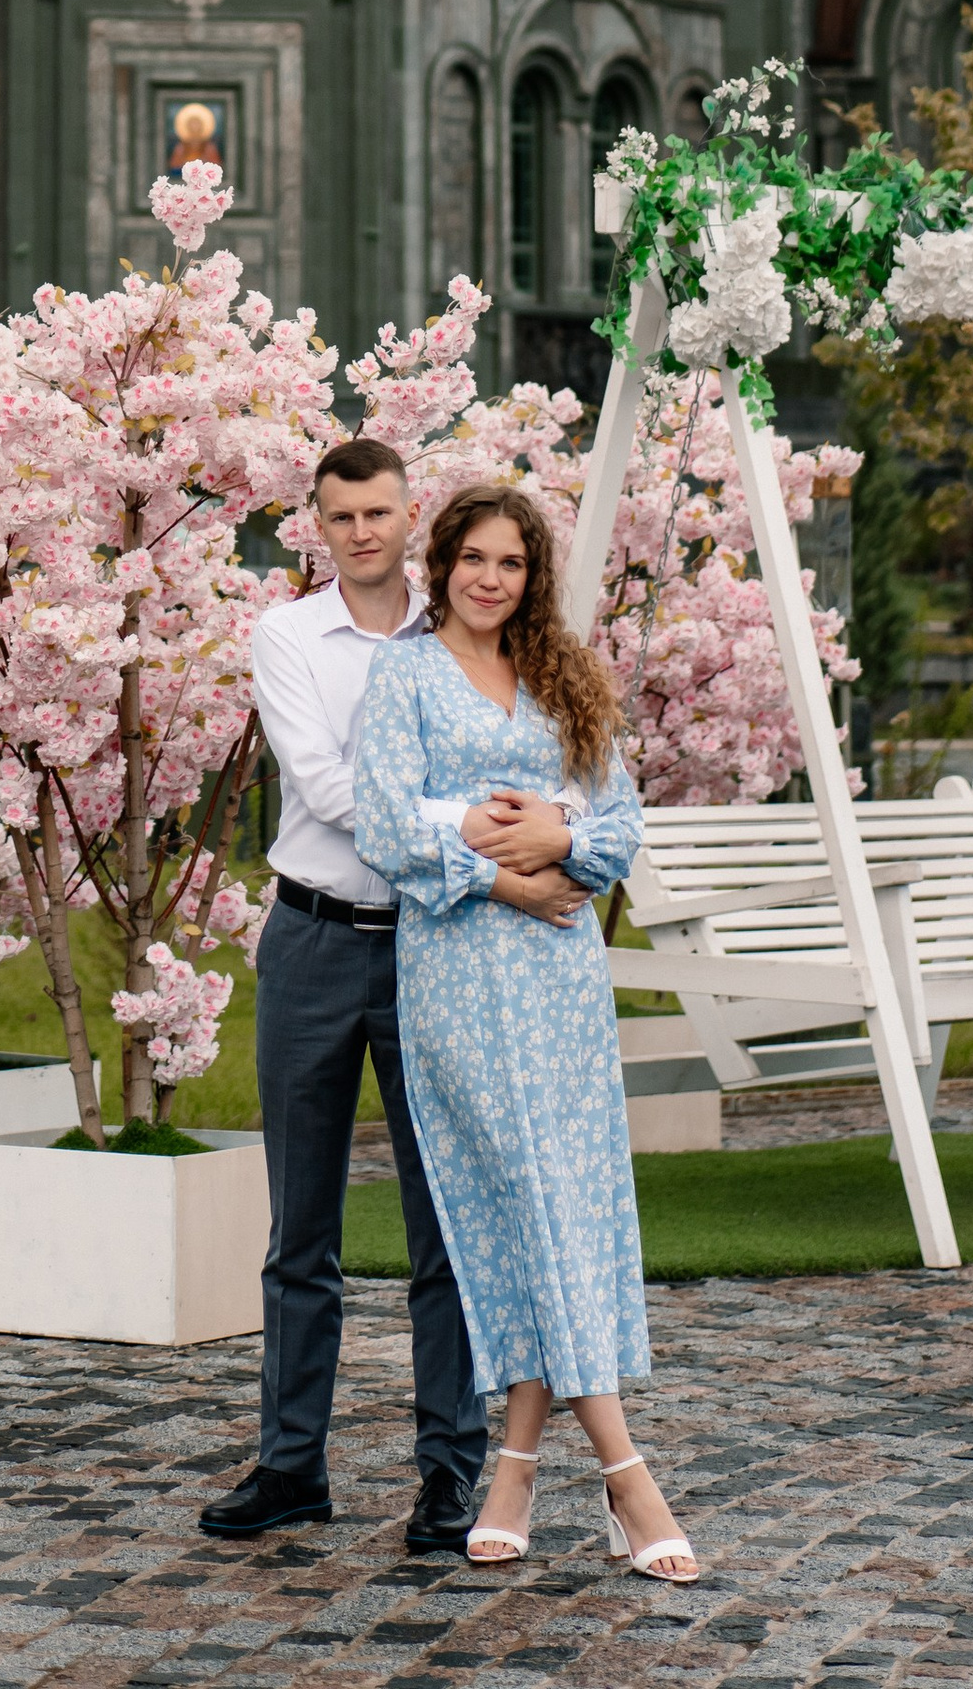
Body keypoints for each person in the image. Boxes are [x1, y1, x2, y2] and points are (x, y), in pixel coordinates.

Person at [199, 439, 575, 1557]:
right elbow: (326, 785)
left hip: (438, 943)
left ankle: (449, 1474)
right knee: (297, 1226)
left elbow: (526, 765)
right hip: (316, 941)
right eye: (340, 515)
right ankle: (288, 1464)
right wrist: (481, 836)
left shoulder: (462, 624)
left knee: (442, 1221)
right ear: (314, 525)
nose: (362, 531)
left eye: (379, 511)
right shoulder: (286, 635)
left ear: (412, 515)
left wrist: (474, 832)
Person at [354, 482, 699, 1586]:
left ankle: (512, 1467)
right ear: (442, 562)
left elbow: (619, 821)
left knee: (557, 1200)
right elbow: (381, 822)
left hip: (560, 985)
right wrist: (500, 873)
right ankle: (626, 1473)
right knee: (518, 1196)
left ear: (529, 574)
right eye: (472, 557)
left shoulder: (566, 676)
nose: (489, 578)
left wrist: (563, 831)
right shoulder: (401, 675)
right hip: (458, 975)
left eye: (510, 561)